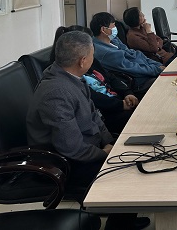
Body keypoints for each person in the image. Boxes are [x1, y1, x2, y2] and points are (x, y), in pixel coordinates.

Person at [26, 31, 148, 230]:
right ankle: (119, 225)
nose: (94, 58)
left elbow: (94, 116)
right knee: (128, 169)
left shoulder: (72, 77)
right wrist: (104, 154)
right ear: (83, 61)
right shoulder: (56, 92)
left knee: (137, 152)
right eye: (92, 54)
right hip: (63, 163)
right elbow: (71, 147)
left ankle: (124, 219)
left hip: (84, 146)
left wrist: (109, 142)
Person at [50, 25, 139, 135]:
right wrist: (120, 105)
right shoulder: (60, 90)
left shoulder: (77, 74)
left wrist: (127, 92)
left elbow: (94, 119)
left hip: (101, 126)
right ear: (82, 59)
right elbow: (70, 139)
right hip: (107, 114)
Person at [90, 12, 162, 95]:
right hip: (138, 81)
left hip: (146, 70)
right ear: (103, 30)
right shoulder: (106, 53)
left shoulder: (113, 40)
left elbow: (134, 54)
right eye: (113, 25)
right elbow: (133, 68)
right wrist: (157, 69)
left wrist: (156, 65)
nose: (115, 28)